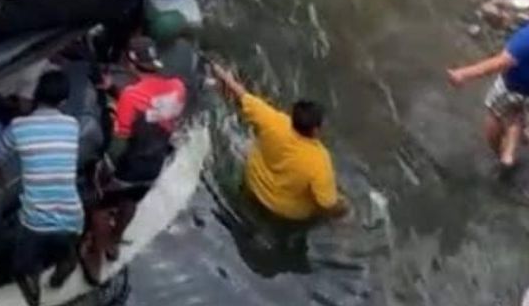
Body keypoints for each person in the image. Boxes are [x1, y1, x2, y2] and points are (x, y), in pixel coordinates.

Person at [81, 36, 187, 280]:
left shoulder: (131, 96)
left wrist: (104, 169)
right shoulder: (177, 87)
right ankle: (114, 242)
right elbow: (153, 109)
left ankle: (95, 256)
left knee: (99, 207)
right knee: (130, 201)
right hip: (155, 162)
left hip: (130, 165)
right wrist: (113, 89)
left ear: (130, 62)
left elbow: (120, 140)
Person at [210, 62, 348, 222]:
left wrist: (220, 72)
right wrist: (342, 208)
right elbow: (326, 203)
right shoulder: (320, 161)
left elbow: (241, 95)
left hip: (253, 186)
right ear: (315, 130)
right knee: (342, 204)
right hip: (284, 213)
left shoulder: (273, 120)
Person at [0, 70, 83, 306]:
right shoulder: (73, 125)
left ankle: (31, 287)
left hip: (35, 220)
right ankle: (66, 262)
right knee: (63, 243)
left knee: (23, 263)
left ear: (36, 96)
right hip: (72, 216)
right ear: (63, 102)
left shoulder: (18, 127)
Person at [446, 23, 529, 170]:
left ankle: (500, 155)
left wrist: (464, 74)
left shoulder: (525, 38)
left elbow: (501, 62)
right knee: (515, 114)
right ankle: (508, 156)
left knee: (494, 118)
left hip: (510, 87)